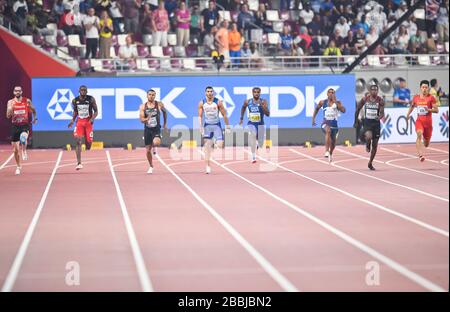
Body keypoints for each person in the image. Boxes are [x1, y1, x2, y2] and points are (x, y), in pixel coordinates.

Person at [198, 86, 231, 174]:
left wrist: (227, 126)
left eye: (211, 91)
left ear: (213, 92)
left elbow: (224, 115)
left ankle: (215, 145)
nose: (209, 93)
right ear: (205, 93)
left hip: (217, 125)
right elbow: (200, 116)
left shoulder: (218, 102)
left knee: (220, 145)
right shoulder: (202, 103)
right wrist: (200, 126)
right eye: (208, 91)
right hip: (207, 126)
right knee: (207, 148)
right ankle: (208, 166)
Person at [6, 86, 37, 175]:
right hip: (15, 126)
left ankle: (24, 151)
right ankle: (18, 166)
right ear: (14, 92)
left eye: (19, 91)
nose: (17, 92)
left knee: (23, 138)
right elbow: (8, 116)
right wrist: (10, 109)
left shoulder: (27, 101)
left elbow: (34, 110)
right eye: (16, 91)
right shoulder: (10, 102)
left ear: (22, 92)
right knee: (15, 150)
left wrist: (35, 118)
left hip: (24, 125)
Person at [406, 80, 439, 162]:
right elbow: (412, 106)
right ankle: (420, 155)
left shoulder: (431, 98)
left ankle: (426, 139)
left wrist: (429, 110)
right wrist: (407, 115)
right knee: (419, 134)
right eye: (423, 87)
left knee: (426, 144)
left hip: (428, 123)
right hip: (419, 121)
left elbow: (437, 110)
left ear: (428, 88)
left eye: (426, 87)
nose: (424, 89)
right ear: (420, 88)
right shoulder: (416, 97)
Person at [354, 84, 385, 170]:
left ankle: (370, 162)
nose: (374, 91)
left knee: (375, 145)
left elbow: (382, 113)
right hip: (367, 122)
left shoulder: (380, 100)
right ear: (370, 91)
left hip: (376, 124)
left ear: (377, 91)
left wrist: (379, 117)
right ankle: (367, 145)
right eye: (373, 90)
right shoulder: (365, 99)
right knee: (368, 136)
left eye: (376, 90)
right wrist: (355, 121)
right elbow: (357, 110)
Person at [68, 85, 98, 170]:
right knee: (78, 141)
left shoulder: (91, 99)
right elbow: (75, 111)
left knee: (88, 144)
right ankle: (79, 163)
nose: (83, 92)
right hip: (80, 122)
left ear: (87, 91)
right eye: (82, 90)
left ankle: (87, 141)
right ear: (79, 91)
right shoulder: (75, 101)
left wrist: (92, 118)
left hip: (88, 122)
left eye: (85, 90)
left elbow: (96, 111)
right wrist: (72, 120)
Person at [312, 88, 345, 163]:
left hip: (335, 125)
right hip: (325, 123)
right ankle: (326, 151)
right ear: (327, 94)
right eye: (329, 92)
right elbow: (316, 109)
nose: (331, 94)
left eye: (332, 93)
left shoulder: (338, 102)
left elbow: (343, 111)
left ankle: (330, 153)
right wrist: (313, 119)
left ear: (334, 94)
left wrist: (336, 102)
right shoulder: (322, 102)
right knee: (328, 130)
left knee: (333, 142)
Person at [139, 89, 168, 174]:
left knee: (156, 142)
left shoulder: (159, 104)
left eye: (153, 95)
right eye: (150, 94)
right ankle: (151, 166)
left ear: (155, 96)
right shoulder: (143, 106)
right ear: (147, 96)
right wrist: (146, 119)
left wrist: (165, 123)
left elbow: (165, 112)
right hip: (147, 129)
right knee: (148, 151)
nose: (151, 96)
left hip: (156, 129)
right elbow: (141, 119)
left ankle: (154, 144)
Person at [239, 87, 270, 163]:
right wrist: (241, 118)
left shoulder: (263, 101)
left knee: (261, 143)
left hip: (260, 124)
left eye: (258, 92)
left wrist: (262, 106)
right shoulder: (248, 101)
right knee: (252, 136)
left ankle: (258, 145)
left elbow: (268, 114)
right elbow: (243, 108)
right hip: (251, 123)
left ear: (260, 93)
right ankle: (253, 157)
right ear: (252, 93)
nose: (256, 93)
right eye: (255, 92)